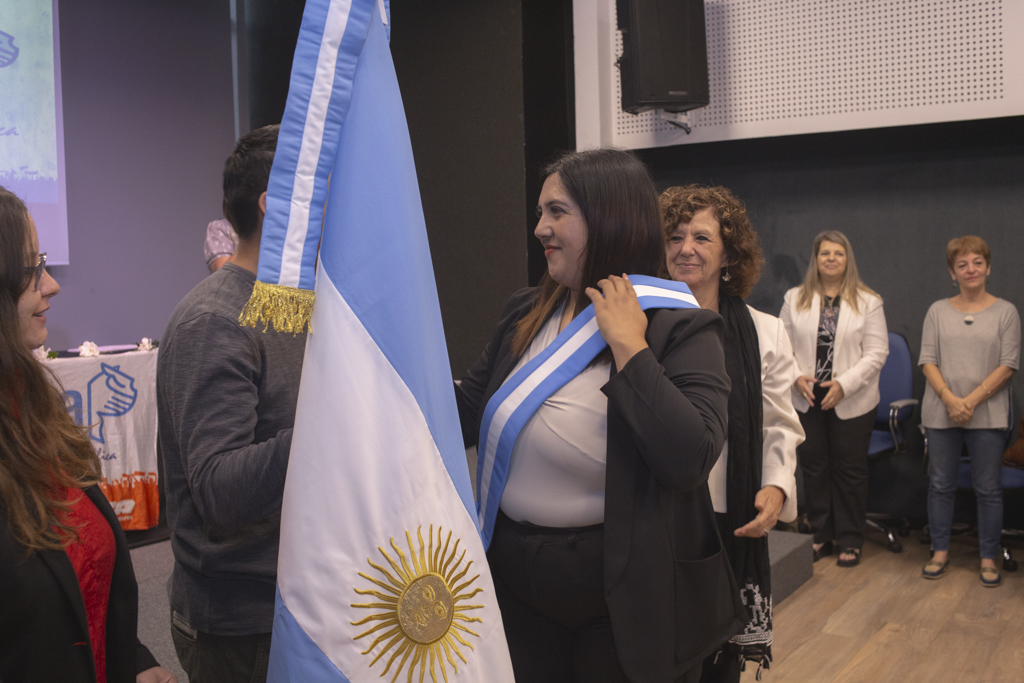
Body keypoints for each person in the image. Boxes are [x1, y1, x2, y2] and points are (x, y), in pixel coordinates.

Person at [456, 149, 744, 683]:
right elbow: (468, 410)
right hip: (515, 588)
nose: (540, 228)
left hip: (623, 603)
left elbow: (689, 459)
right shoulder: (525, 311)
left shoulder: (679, 325)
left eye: (557, 212)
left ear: (609, 217)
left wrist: (630, 348)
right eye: (540, 212)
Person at [0, 186, 176, 683]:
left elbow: (81, 578)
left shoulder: (33, 404)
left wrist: (130, 660)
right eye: (32, 269)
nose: (52, 285)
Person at [157, 125, 307, 683]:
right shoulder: (215, 321)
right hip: (243, 629)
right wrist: (329, 425)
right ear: (274, 205)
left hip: (295, 603)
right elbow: (220, 491)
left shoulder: (287, 304)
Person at [661, 185, 803, 682]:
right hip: (657, 519)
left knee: (719, 664)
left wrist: (776, 485)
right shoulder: (639, 326)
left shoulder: (765, 331)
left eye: (701, 237)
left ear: (728, 254)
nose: (686, 248)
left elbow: (779, 421)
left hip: (728, 520)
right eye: (674, 236)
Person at [780, 230, 888, 568]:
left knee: (849, 470)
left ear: (847, 259)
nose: (831, 258)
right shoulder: (794, 298)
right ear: (816, 259)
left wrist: (844, 384)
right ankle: (821, 534)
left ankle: (850, 538)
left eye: (838, 253)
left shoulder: (868, 301)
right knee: (814, 468)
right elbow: (780, 346)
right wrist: (795, 376)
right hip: (807, 393)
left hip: (851, 396)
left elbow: (877, 353)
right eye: (825, 253)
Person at [919, 236, 1020, 586]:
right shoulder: (937, 311)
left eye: (977, 262)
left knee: (988, 489)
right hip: (941, 411)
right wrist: (950, 399)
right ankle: (939, 552)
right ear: (952, 272)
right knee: (940, 485)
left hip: (988, 414)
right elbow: (927, 361)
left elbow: (1008, 365)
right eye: (962, 264)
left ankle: (988, 558)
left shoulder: (1006, 312)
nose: (970, 269)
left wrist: (970, 401)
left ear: (988, 268)